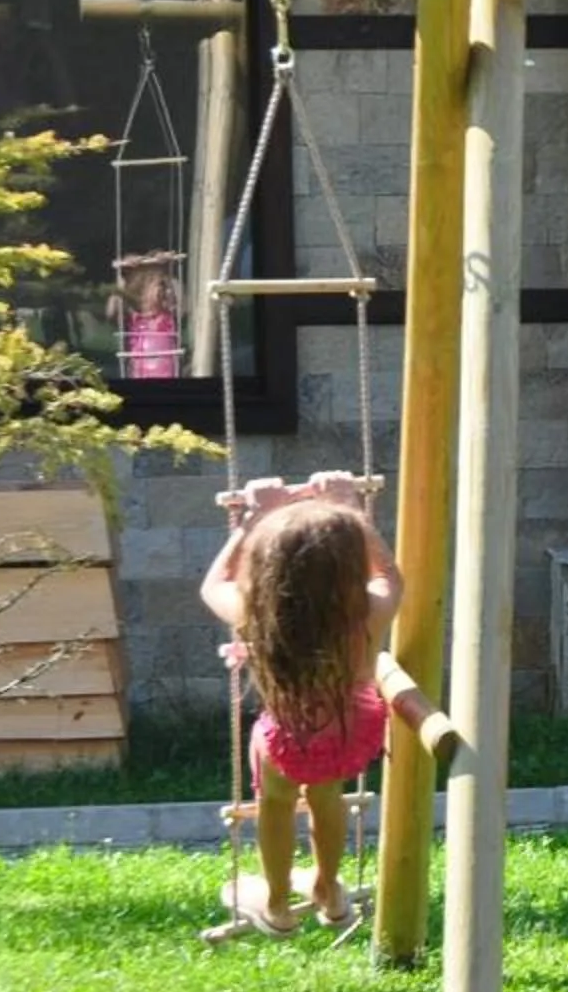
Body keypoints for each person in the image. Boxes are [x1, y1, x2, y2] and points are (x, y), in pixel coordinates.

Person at [198, 473, 402, 935]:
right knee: (327, 795)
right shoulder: (368, 613)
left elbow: (213, 585)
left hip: (288, 736)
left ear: (270, 569)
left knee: (276, 802)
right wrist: (349, 508)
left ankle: (276, 903)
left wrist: (249, 523)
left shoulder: (259, 613)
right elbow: (389, 573)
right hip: (351, 730)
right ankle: (328, 887)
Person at [108, 252, 183, 380]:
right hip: (139, 376)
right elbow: (111, 311)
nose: (162, 289)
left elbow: (180, 303)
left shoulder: (167, 316)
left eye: (163, 284)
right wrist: (123, 276)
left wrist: (167, 273)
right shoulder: (134, 319)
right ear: (140, 291)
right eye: (155, 283)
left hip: (167, 377)